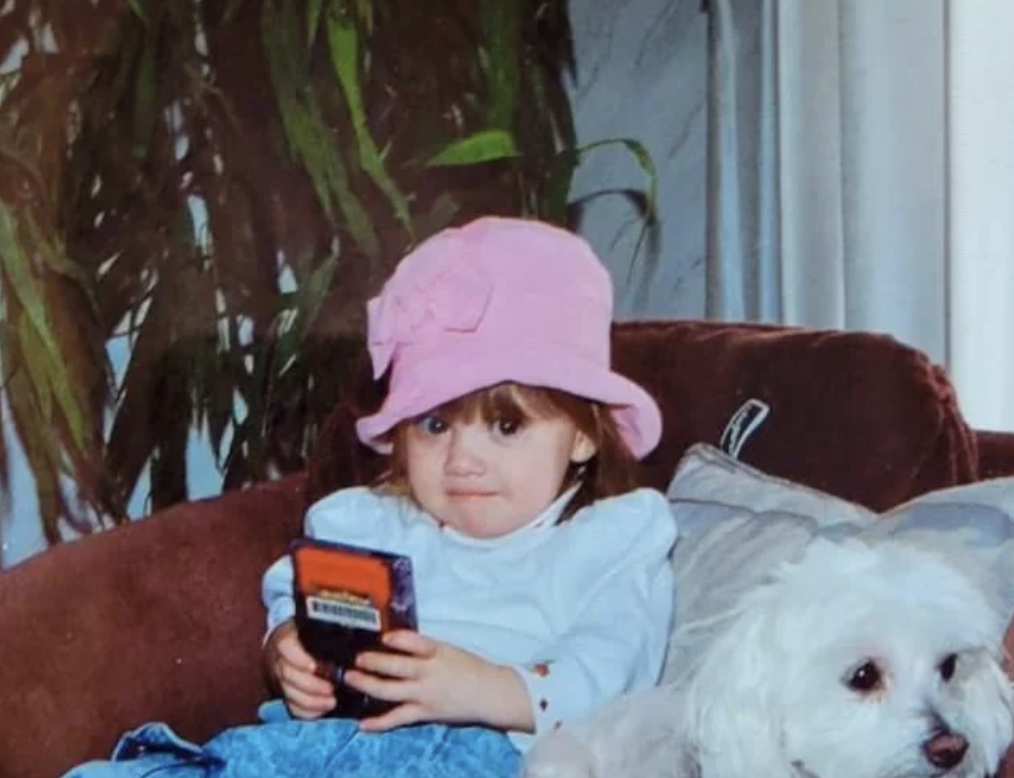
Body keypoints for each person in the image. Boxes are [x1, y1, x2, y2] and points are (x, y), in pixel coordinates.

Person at [61, 216, 678, 778]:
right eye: (435, 425)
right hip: (316, 749)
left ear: (582, 437)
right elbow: (296, 593)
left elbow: (612, 673)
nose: (463, 460)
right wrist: (289, 653)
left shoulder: (609, 539)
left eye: (506, 426)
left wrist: (487, 688)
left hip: (478, 758)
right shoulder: (368, 520)